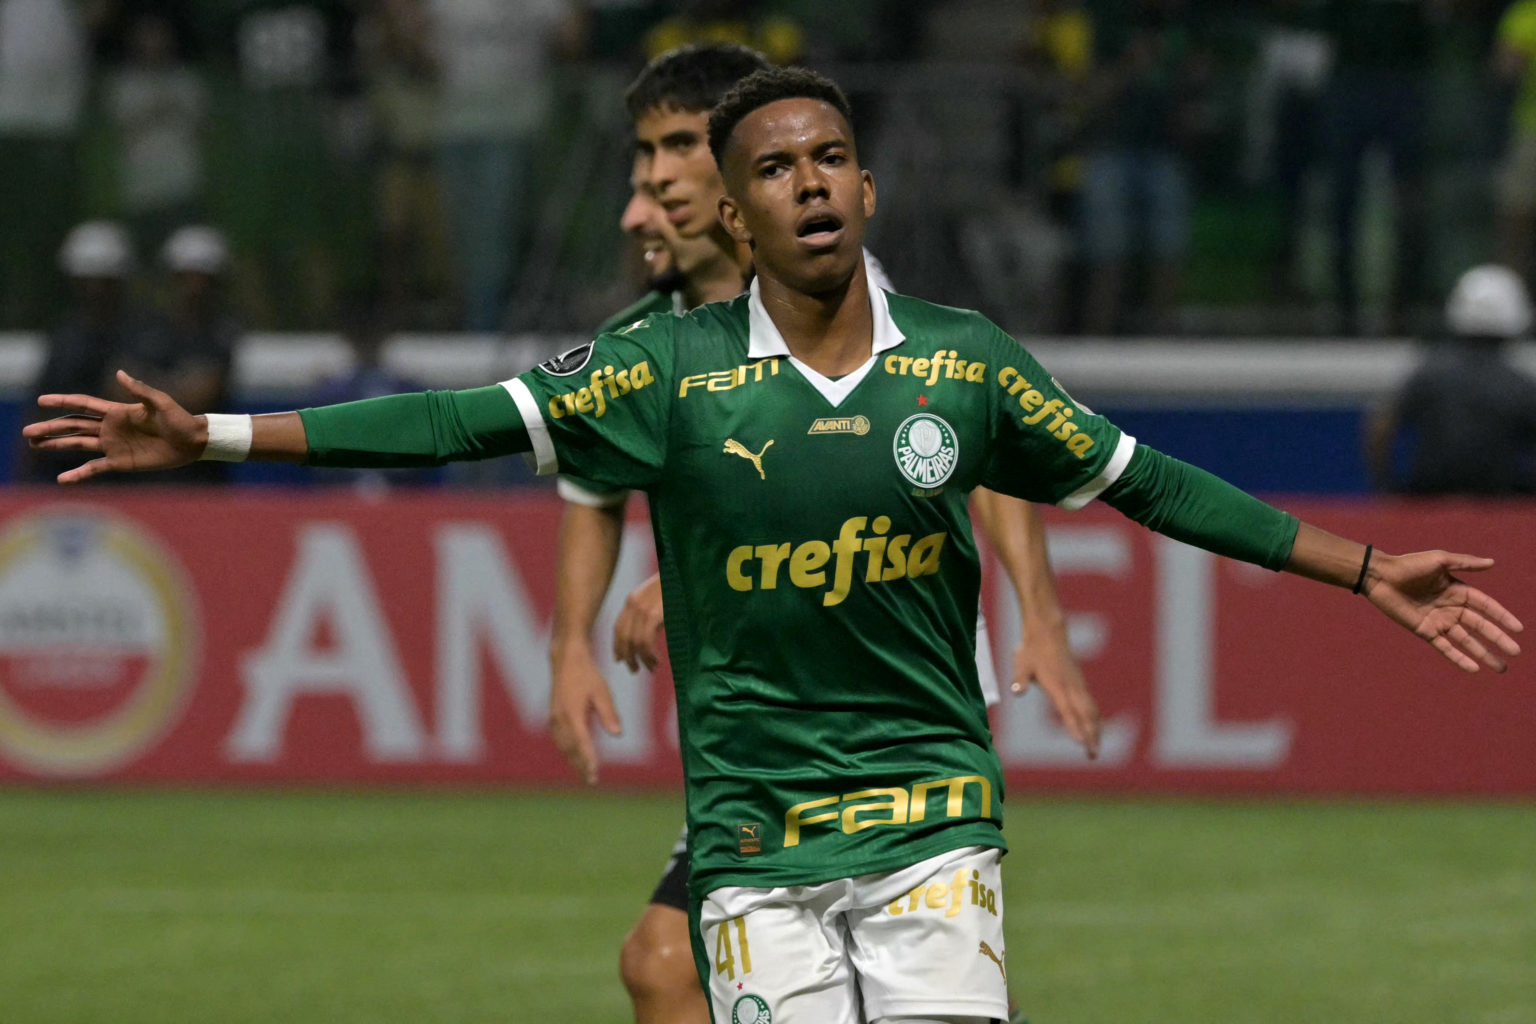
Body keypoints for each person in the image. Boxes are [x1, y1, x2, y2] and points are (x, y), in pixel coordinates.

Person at [25, 67, 1522, 1024]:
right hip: (753, 849)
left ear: (866, 189)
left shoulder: (962, 364)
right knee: (653, 966)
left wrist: (1361, 568)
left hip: (935, 829)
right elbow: (452, 422)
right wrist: (217, 438)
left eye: (833, 159)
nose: (810, 183)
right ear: (736, 215)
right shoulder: (662, 373)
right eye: (777, 168)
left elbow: (1148, 482)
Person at [547, 44, 1096, 1024]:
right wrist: (570, 643)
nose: (648, 188)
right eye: (645, 158)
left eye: (675, 148)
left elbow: (968, 447)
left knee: (676, 958)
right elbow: (596, 485)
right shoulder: (668, 319)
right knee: (670, 963)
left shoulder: (842, 297)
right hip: (779, 710)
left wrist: (1040, 615)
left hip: (879, 688)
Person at [1364, 263, 1536, 495]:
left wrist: (1387, 487)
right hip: (1499, 511)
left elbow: (1381, 426)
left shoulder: (1428, 374)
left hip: (1427, 504)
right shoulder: (1520, 387)